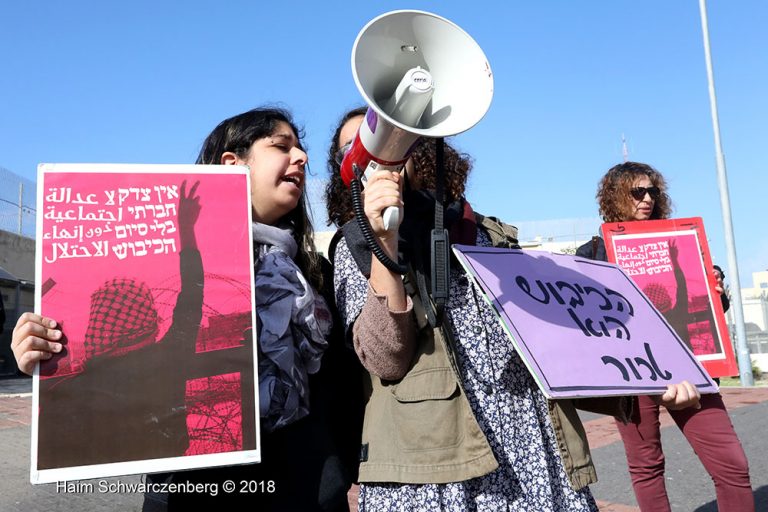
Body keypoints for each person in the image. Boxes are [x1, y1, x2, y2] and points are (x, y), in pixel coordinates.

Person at [326, 110, 701, 511]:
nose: (381, 152)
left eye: (395, 136)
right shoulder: (356, 245)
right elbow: (386, 359)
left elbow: (556, 338)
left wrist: (650, 376)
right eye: (356, 146)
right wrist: (383, 241)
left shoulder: (487, 232)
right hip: (441, 471)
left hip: (537, 452)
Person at [13, 107, 363, 511]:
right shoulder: (164, 268)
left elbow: (346, 385)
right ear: (233, 164)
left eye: (302, 150)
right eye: (281, 146)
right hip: (194, 491)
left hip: (307, 488)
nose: (301, 158)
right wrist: (44, 352)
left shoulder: (315, 273)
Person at [576, 161, 754, 512]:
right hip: (633, 373)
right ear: (615, 195)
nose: (647, 199)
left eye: (653, 192)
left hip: (688, 367)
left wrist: (716, 290)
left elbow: (706, 308)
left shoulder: (680, 242)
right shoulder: (593, 251)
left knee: (733, 464)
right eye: (637, 191)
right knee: (647, 466)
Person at [16, 179, 203, 469]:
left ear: (97, 320)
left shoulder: (69, 392)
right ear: (150, 317)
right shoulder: (170, 357)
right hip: (170, 474)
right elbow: (192, 294)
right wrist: (186, 230)